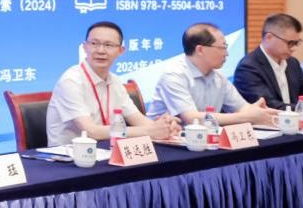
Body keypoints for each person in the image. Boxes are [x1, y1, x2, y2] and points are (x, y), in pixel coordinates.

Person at [45, 21, 179, 147]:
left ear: (121, 51)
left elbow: (138, 120)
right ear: (85, 47)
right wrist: (150, 131)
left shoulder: (115, 81)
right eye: (94, 43)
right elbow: (91, 131)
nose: (100, 50)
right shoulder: (71, 81)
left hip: (105, 151)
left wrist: (165, 127)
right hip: (70, 156)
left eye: (108, 45)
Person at [147, 23, 277, 126]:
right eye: (223, 47)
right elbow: (192, 118)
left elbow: (242, 108)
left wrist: (264, 113)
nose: (226, 53)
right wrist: (246, 117)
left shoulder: (218, 77)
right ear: (200, 50)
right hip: (165, 143)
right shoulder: (174, 75)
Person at [232, 13, 303, 110]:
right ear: (269, 38)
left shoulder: (292, 63)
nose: (294, 48)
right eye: (290, 43)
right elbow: (269, 105)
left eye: (297, 43)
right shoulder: (248, 68)